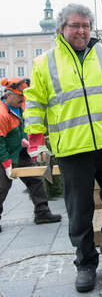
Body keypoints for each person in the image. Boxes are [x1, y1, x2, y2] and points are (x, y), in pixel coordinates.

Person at [23, 3, 102, 293]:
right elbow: (34, 104)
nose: (81, 31)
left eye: (86, 26)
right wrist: (37, 141)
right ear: (62, 29)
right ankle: (85, 263)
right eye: (75, 25)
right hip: (72, 148)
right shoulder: (45, 63)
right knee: (79, 210)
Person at [0, 77, 62, 233]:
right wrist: (7, 164)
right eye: (20, 96)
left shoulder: (19, 107)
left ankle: (42, 213)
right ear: (8, 95)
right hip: (4, 155)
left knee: (36, 180)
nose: (23, 99)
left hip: (19, 153)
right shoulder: (1, 113)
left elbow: (19, 130)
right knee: (2, 187)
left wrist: (25, 141)